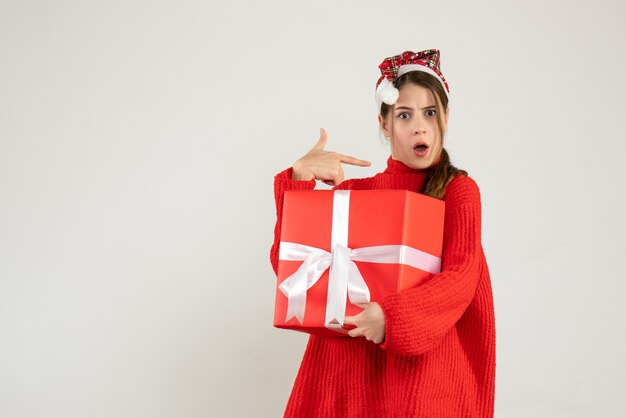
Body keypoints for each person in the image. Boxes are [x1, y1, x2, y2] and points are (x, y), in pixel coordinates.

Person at [269, 49, 496, 417]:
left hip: (421, 377)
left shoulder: (457, 190)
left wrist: (392, 317)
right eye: (404, 115)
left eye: (430, 112)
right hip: (345, 377)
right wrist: (299, 182)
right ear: (385, 123)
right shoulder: (352, 195)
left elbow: (461, 278)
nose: (419, 126)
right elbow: (291, 272)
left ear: (446, 118)